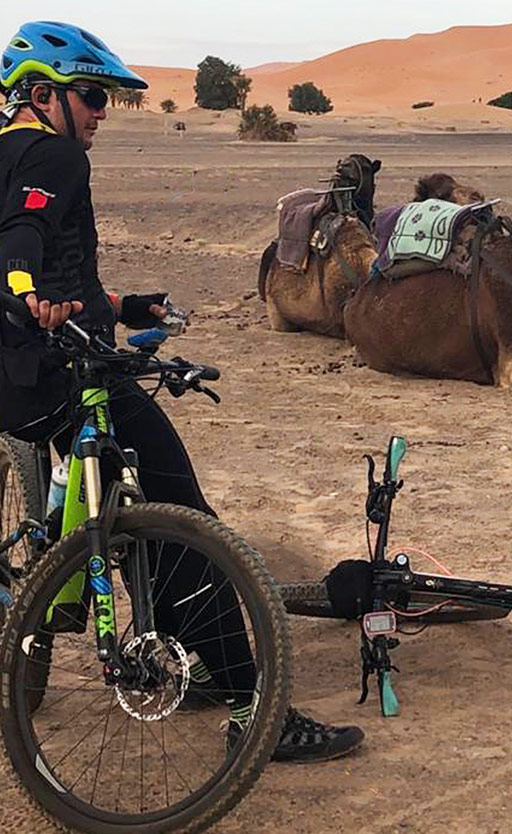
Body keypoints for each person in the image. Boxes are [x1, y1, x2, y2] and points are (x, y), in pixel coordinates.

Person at [0, 21, 363, 763]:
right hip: (62, 375)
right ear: (42, 95)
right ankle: (249, 707)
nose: (102, 112)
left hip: (20, 374)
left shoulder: (6, 151)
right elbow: (23, 238)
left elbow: (51, 255)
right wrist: (24, 289)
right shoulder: (55, 154)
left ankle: (153, 631)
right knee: (187, 525)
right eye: (92, 96)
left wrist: (123, 307)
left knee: (134, 507)